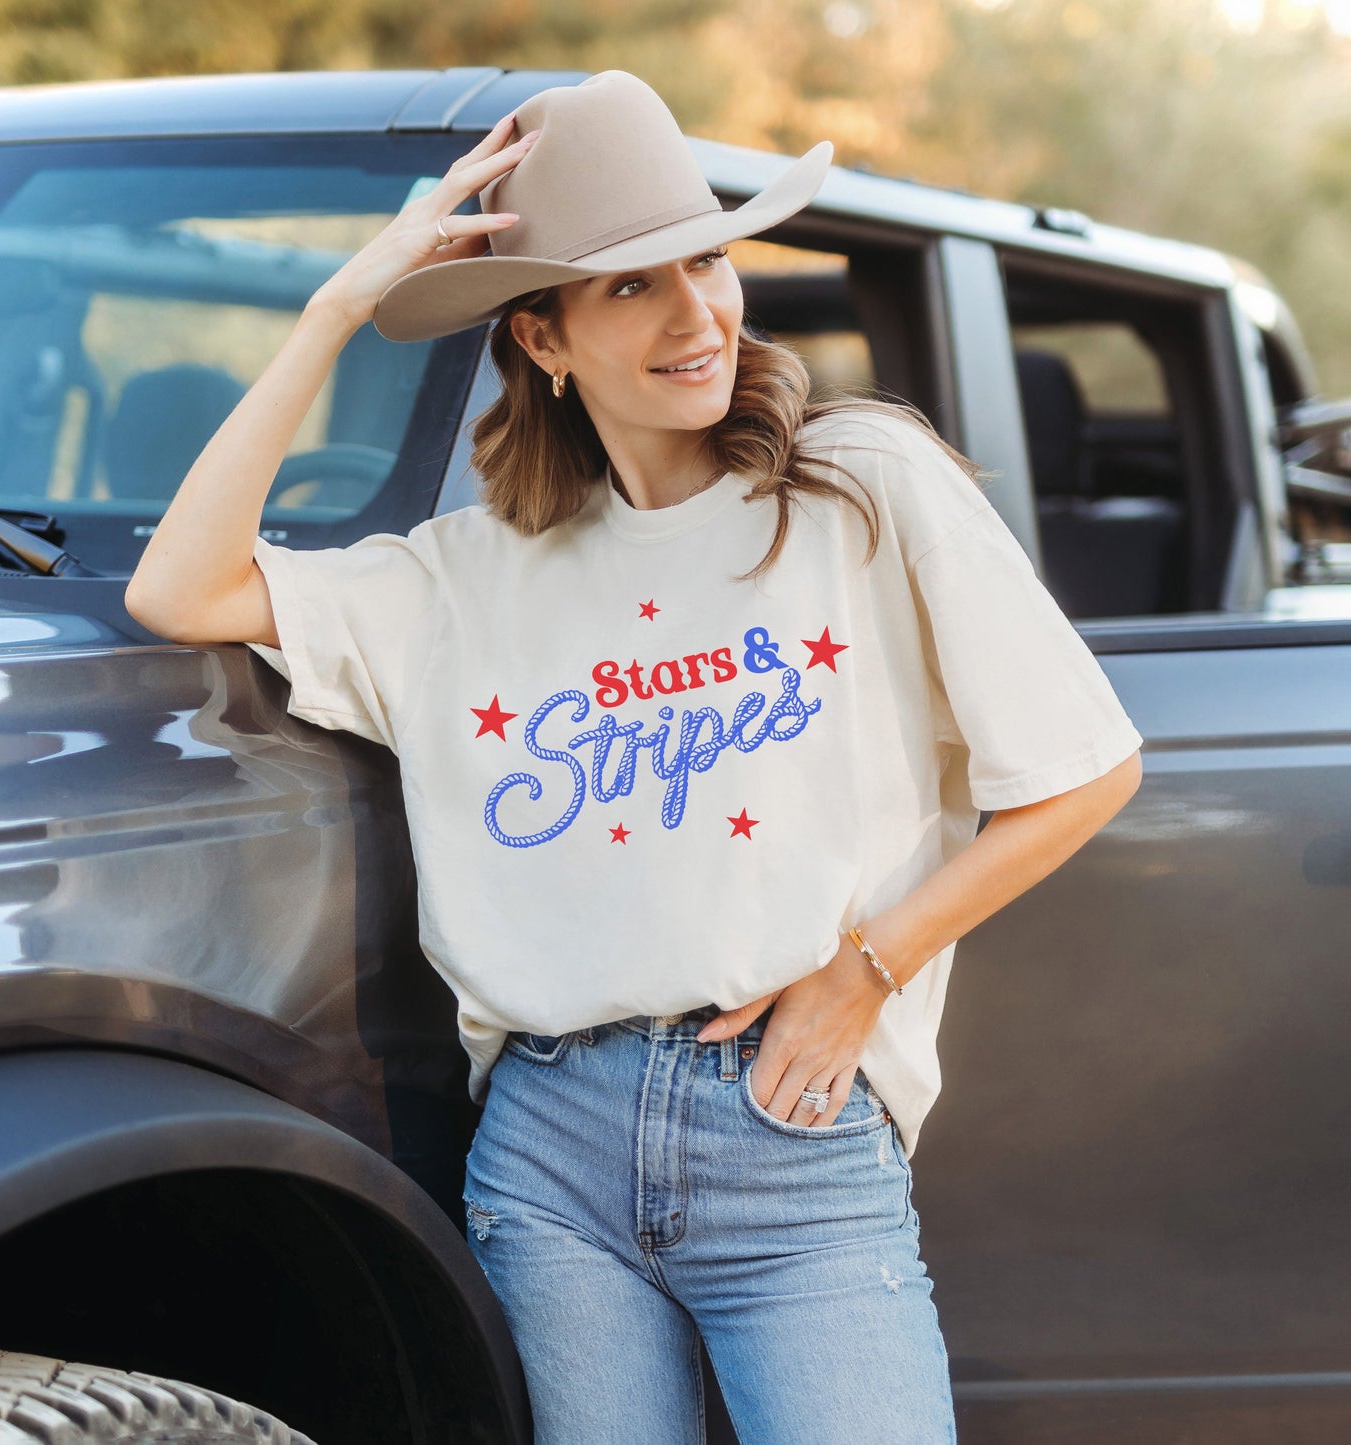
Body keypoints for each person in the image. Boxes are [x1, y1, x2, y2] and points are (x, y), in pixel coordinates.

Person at [127, 69, 1143, 1445]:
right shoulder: (465, 574)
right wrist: (339, 307)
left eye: (706, 262)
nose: (696, 315)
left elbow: (1085, 769)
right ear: (541, 335)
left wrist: (865, 971)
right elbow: (179, 589)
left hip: (788, 1125)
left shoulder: (858, 489)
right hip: (547, 1151)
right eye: (630, 286)